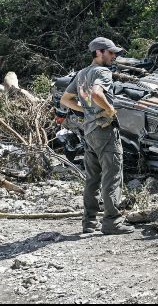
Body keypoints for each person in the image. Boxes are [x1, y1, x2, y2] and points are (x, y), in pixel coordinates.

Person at [60, 37, 134, 235]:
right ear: (99, 52)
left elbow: (65, 100)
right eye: (111, 53)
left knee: (92, 178)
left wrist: (86, 112)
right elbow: (97, 94)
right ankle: (112, 222)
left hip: (89, 131)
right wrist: (110, 110)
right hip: (104, 131)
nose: (114, 57)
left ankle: (89, 222)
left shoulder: (82, 73)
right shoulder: (103, 71)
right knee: (112, 175)